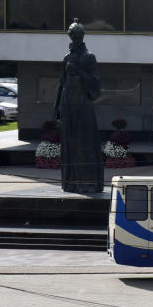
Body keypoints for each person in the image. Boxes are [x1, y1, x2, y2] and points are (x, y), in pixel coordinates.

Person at [54, 19, 103, 193]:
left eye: (76, 36)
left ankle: (89, 183)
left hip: (83, 104)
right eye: (72, 36)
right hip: (68, 104)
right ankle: (70, 182)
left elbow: (96, 84)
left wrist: (79, 71)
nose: (74, 40)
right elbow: (62, 83)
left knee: (85, 143)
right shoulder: (66, 57)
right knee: (69, 144)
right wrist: (56, 107)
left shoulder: (89, 57)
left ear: (81, 37)